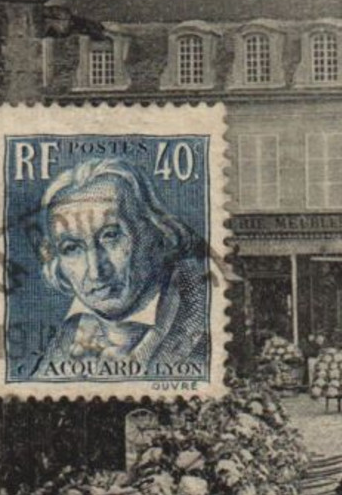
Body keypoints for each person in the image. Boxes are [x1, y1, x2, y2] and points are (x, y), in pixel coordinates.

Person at [32, 156, 211, 374]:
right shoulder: (65, 342)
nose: (96, 272)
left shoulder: (207, 320)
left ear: (155, 232)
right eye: (72, 248)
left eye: (110, 236)